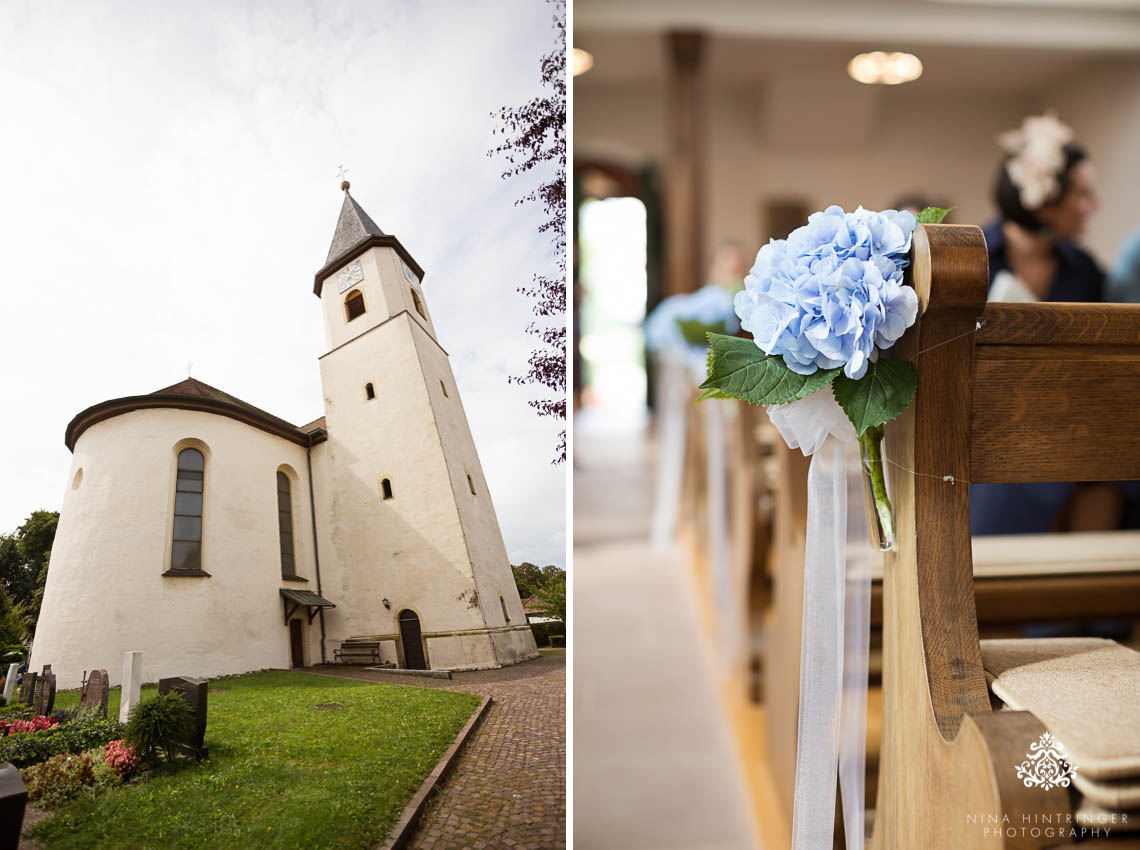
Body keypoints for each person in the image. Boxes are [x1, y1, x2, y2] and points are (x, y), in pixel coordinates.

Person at [972, 113, 1137, 534]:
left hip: (1070, 426)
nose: (1093, 204)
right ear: (1046, 200)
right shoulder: (971, 263)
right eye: (1083, 193)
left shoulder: (1084, 271)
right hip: (986, 431)